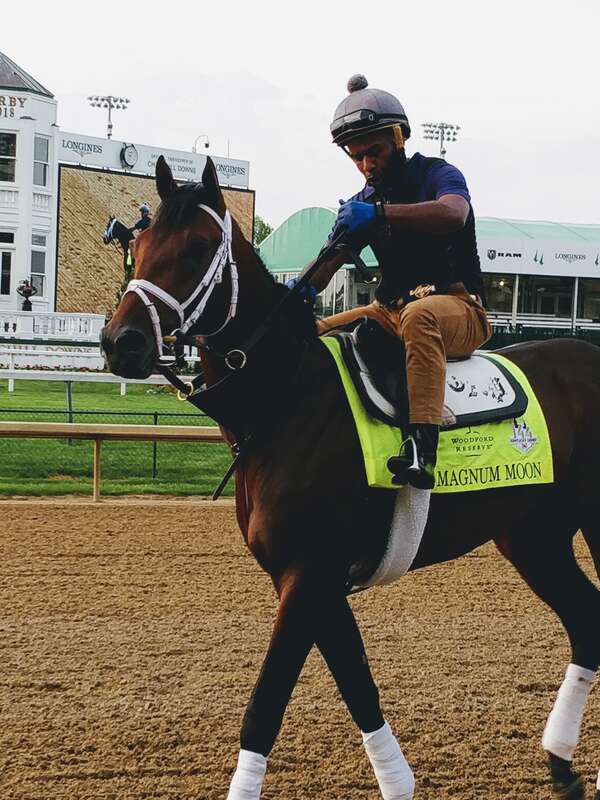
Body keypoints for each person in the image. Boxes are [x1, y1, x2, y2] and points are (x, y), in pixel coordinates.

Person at [298, 75, 491, 489]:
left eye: (374, 152)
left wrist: (380, 215)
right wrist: (296, 293)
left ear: (398, 138)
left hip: (458, 308)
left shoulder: (438, 173)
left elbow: (453, 213)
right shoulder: (362, 203)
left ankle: (423, 450)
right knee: (311, 333)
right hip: (389, 312)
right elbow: (327, 265)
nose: (367, 165)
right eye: (356, 158)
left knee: (420, 316)